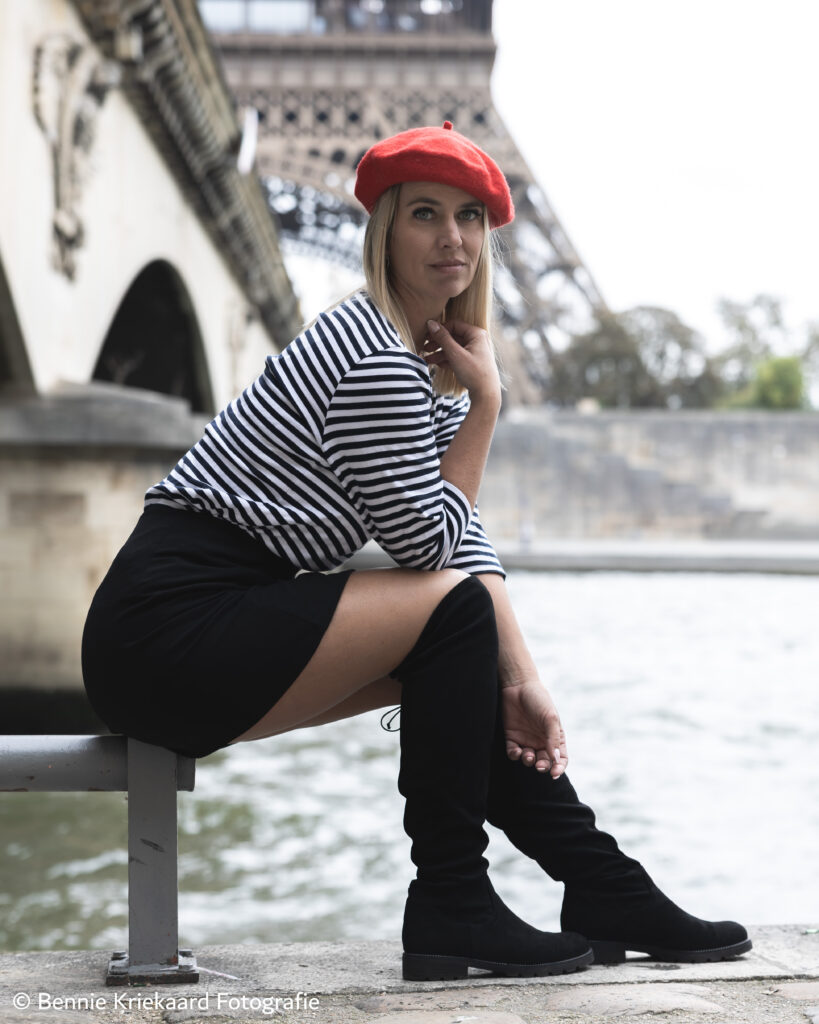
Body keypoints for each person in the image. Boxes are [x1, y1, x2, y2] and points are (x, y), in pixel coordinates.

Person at [82, 122, 751, 981]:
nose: (452, 238)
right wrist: (488, 404)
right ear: (384, 231)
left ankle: (597, 882)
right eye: (424, 214)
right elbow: (430, 550)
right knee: (455, 625)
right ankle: (456, 897)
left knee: (460, 663)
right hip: (169, 635)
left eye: (469, 217)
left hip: (195, 629)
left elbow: (459, 540)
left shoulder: (408, 351)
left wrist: (522, 677)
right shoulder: (375, 359)